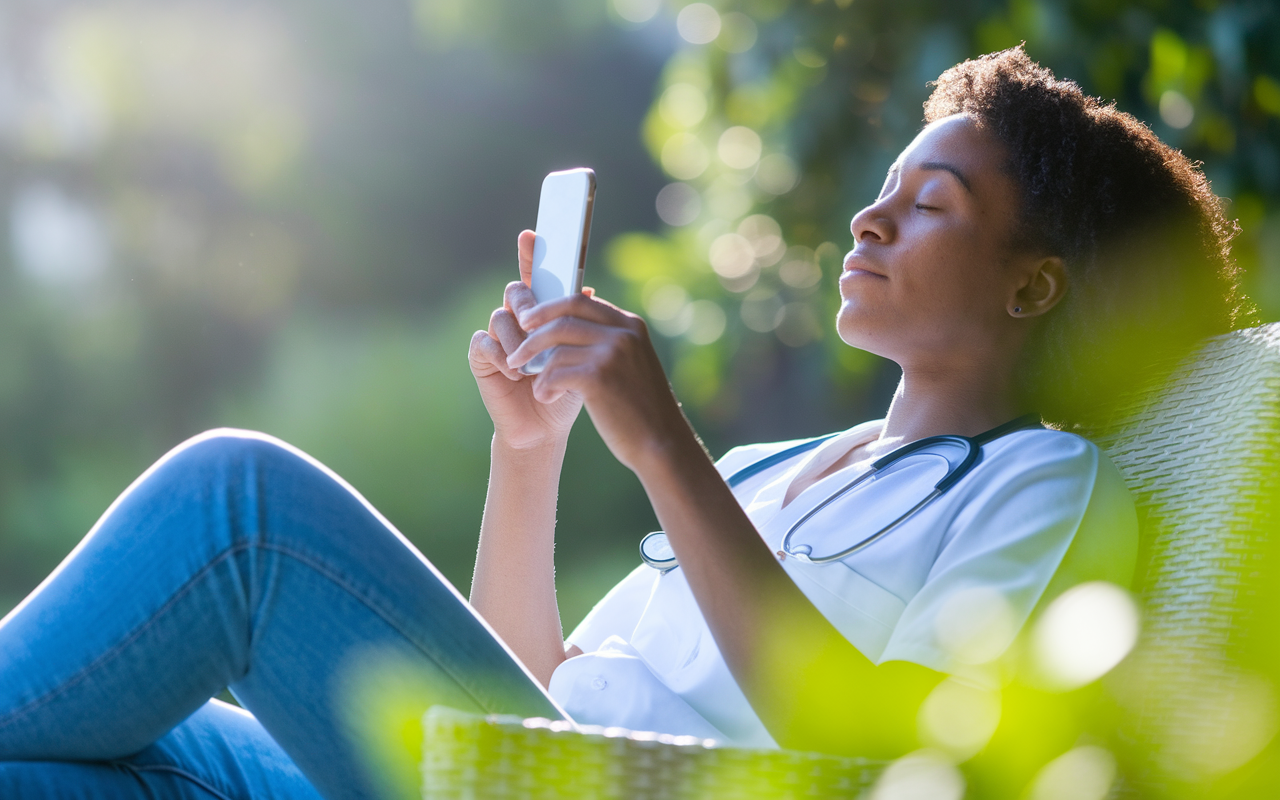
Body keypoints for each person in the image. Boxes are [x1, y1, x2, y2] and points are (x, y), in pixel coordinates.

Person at [0, 47, 1251, 800]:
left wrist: (660, 444)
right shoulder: (773, 469)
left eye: (926, 203)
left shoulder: (1043, 485)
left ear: (1033, 283)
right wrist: (527, 451)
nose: (866, 223)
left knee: (242, 507)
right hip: (525, 766)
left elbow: (881, 751)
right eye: (876, 193)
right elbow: (518, 691)